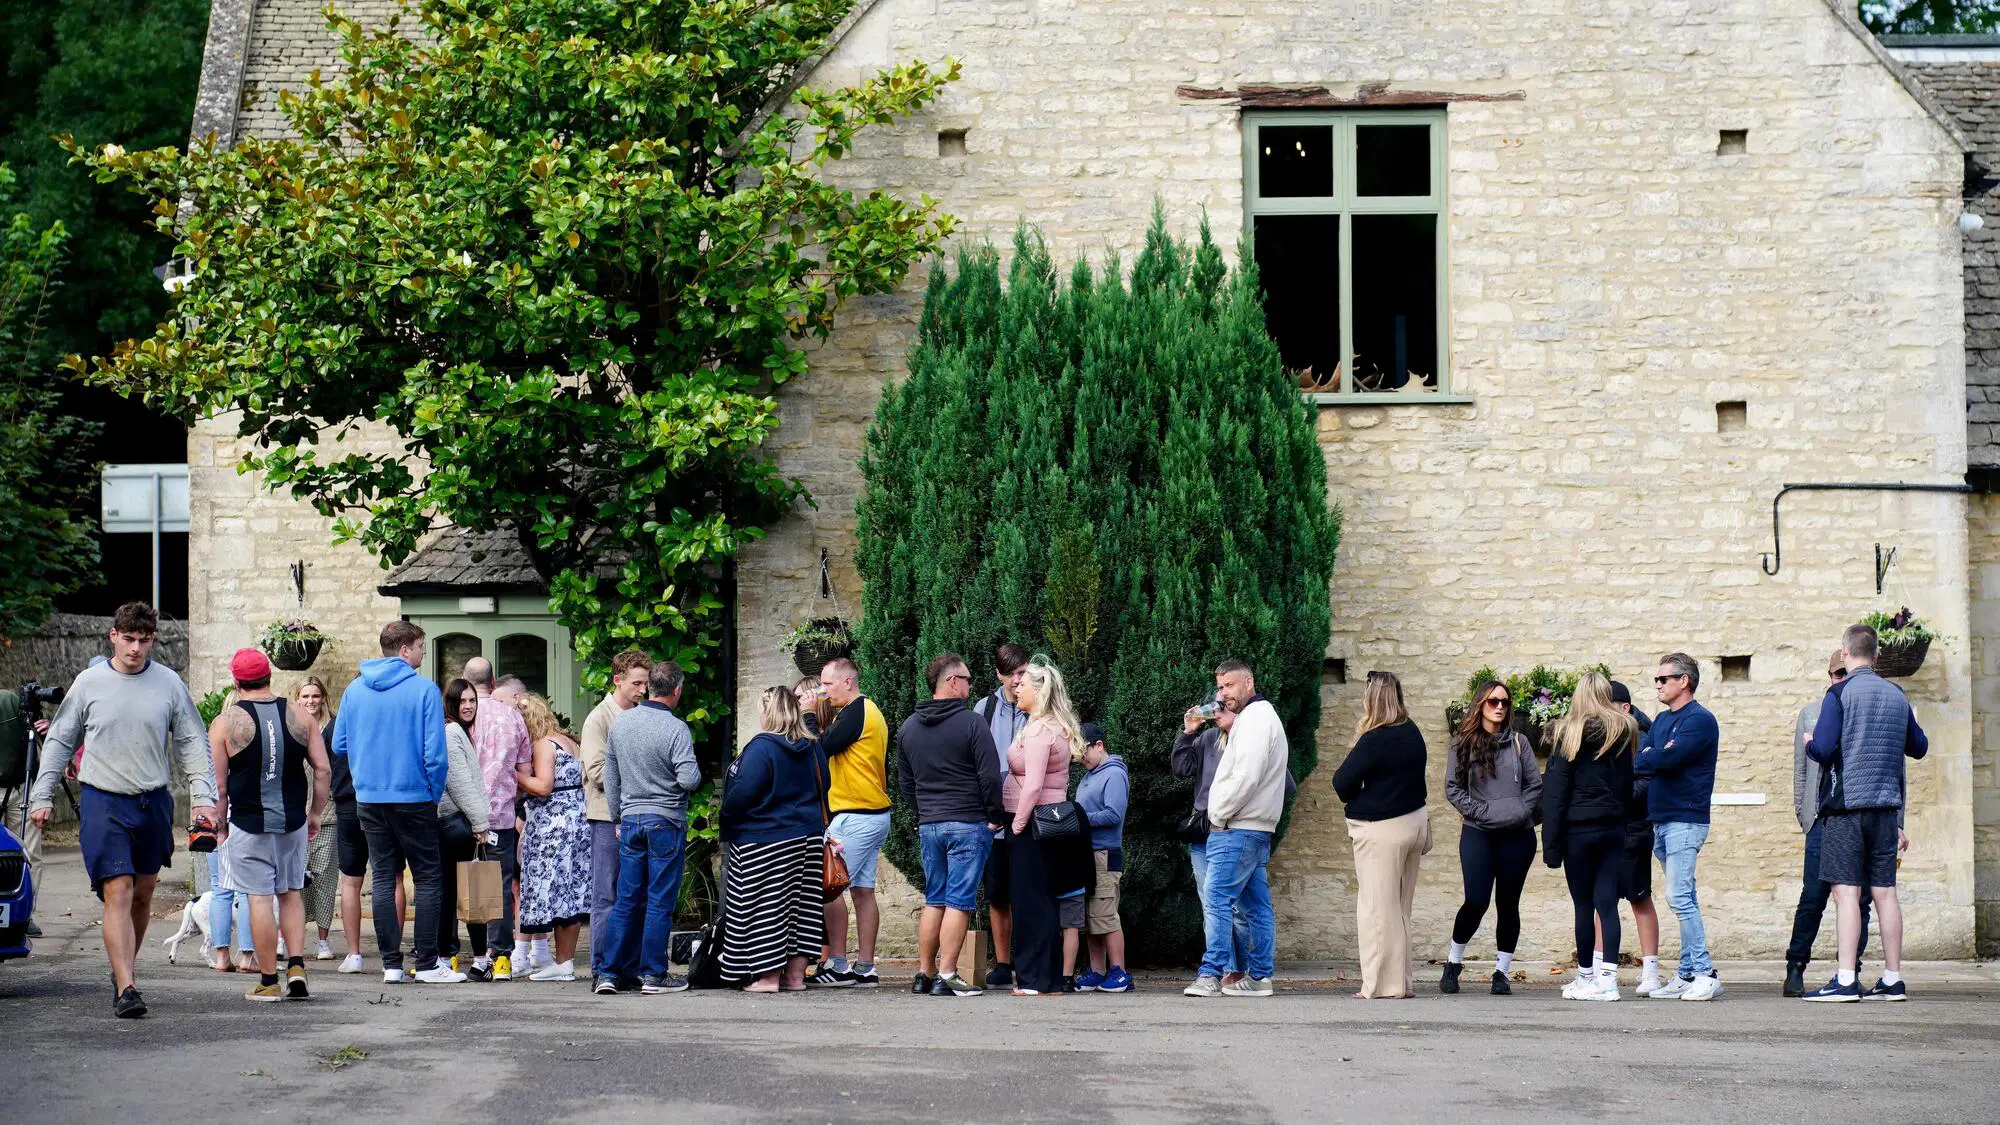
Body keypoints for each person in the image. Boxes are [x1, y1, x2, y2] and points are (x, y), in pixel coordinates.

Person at [28, 602, 217, 1018]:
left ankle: (122, 969)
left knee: (142, 893)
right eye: (128, 639)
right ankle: (127, 987)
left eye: (144, 641)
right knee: (118, 889)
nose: (135, 648)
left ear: (152, 641)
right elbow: (60, 740)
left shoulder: (168, 684)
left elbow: (191, 741)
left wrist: (205, 797)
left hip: (151, 800)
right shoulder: (89, 682)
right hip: (103, 798)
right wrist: (42, 795)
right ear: (113, 636)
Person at [1803, 623, 1927, 1002]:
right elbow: (1919, 747)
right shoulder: (1896, 694)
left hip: (1847, 807)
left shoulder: (1838, 694)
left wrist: (1810, 743)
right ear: (1876, 655)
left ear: (1845, 652)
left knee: (1846, 893)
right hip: (1887, 808)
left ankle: (1845, 978)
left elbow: (1823, 749)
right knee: (1885, 892)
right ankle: (1892, 978)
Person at [334, 621, 459, 985]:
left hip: (369, 796)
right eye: (421, 646)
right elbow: (435, 755)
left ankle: (391, 964)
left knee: (385, 877)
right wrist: (432, 794)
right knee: (428, 876)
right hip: (414, 795)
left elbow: (340, 744)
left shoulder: (355, 689)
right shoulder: (423, 690)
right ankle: (428, 962)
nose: (423, 652)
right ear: (405, 650)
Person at [209, 648, 333, 1001]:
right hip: (293, 821)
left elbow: (218, 786)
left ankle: (268, 980)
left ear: (236, 681)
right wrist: (315, 813)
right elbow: (323, 770)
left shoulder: (224, 723)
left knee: (259, 898)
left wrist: (220, 828)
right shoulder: (300, 716)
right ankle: (296, 967)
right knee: (291, 892)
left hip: (247, 823)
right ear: (270, 677)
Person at [896, 652, 1004, 998]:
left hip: (931, 825)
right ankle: (947, 975)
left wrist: (925, 812)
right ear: (952, 681)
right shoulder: (972, 723)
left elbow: (906, 784)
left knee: (934, 899)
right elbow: (989, 777)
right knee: (959, 901)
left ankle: (923, 974)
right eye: (968, 679)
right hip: (968, 822)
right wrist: (993, 817)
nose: (971, 686)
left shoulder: (909, 727)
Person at [596, 660, 703, 995]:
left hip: (630, 819)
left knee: (626, 898)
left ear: (649, 687)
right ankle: (654, 974)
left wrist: (617, 816)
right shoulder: (676, 729)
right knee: (659, 900)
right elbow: (689, 778)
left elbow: (610, 779)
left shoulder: (622, 724)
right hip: (665, 820)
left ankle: (608, 973)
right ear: (676, 690)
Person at [1184, 659, 1288, 1000]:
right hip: (1252, 828)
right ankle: (1259, 977)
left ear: (1249, 682)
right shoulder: (1257, 719)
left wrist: (1219, 813)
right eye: (1220, 687)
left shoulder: (1256, 720)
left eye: (1229, 685)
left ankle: (1210, 974)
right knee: (1257, 906)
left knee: (1215, 900)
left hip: (1237, 828)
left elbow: (1246, 776)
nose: (1223, 693)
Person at [718, 686, 830, 992]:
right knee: (803, 908)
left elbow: (742, 794)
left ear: (767, 711)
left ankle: (767, 978)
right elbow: (826, 785)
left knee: (765, 905)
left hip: (765, 837)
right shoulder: (812, 746)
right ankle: (794, 977)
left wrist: (726, 819)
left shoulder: (761, 747)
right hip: (808, 837)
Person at [1330, 670, 1429, 1000]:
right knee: (1399, 909)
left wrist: (1360, 796)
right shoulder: (1413, 732)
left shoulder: (1374, 739)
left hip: (1382, 830)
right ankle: (1402, 981)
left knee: (1375, 910)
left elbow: (1342, 783)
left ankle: (1379, 985)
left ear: (1371, 699)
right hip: (1414, 823)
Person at [1541, 673, 1639, 1002]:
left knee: (1584, 906)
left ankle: (1586, 976)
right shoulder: (1624, 731)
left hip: (1578, 831)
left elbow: (1555, 793)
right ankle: (1608, 980)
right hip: (1612, 827)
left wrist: (1551, 847)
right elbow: (1627, 786)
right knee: (1607, 905)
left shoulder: (1568, 733)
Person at [1785, 651, 1877, 997]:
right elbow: (1800, 770)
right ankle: (1795, 966)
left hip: (1855, 815)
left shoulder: (1865, 710)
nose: (1841, 679)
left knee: (1859, 899)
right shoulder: (1811, 713)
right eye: (1836, 674)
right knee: (1813, 896)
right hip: (1821, 819)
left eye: (1845, 672)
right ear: (1829, 674)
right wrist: (1804, 815)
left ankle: (1850, 969)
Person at [1441, 679, 1541, 996]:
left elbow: (1535, 787)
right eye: (1492, 701)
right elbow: (1452, 788)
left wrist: (1516, 812)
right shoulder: (1463, 742)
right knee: (1476, 900)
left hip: (1517, 835)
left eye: (1504, 702)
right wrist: (1483, 813)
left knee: (1508, 903)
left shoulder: (1520, 743)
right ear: (1480, 705)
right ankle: (1454, 961)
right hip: (1478, 833)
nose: (1499, 706)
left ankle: (1501, 971)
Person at [1634, 651, 1722, 1001]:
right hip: (1663, 821)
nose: (1657, 684)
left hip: (1686, 819)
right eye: (1656, 680)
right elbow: (1646, 757)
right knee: (1686, 896)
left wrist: (1656, 755)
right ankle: (1686, 973)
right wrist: (1654, 754)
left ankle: (1705, 972)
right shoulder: (1660, 720)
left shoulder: (1699, 720)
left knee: (1678, 896)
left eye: (1663, 679)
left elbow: (1665, 757)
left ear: (1684, 681)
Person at [806, 657, 892, 988]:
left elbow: (821, 747)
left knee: (830, 888)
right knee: (863, 892)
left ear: (847, 682)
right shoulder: (861, 712)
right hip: (870, 813)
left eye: (827, 684)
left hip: (856, 814)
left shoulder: (859, 711)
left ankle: (838, 965)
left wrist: (809, 714)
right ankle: (866, 967)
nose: (823, 692)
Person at [1005, 659, 1088, 996]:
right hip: (1051, 824)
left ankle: (1034, 980)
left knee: (1030, 903)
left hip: (1034, 825)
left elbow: (1034, 785)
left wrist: (1017, 825)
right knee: (1045, 900)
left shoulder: (1040, 731)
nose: (1017, 687)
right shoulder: (1055, 727)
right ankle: (1050, 979)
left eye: (1022, 684)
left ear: (1038, 690)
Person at [581, 650, 652, 985]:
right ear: (617, 679)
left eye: (646, 684)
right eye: (636, 683)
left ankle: (628, 967)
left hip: (637, 815)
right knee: (607, 895)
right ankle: (601, 968)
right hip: (607, 817)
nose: (642, 690)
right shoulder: (599, 719)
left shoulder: (640, 716)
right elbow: (596, 771)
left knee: (635, 892)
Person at [463, 655, 533, 981]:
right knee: (502, 884)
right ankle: (501, 957)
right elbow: (525, 770)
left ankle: (459, 957)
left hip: (462, 813)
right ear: (493, 684)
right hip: (502, 813)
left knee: (463, 881)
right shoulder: (513, 717)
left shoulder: (459, 716)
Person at [514, 694, 592, 982]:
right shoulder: (568, 740)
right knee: (570, 893)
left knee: (556, 892)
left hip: (554, 824)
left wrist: (513, 774)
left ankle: (561, 963)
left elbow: (544, 786)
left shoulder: (542, 745)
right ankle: (565, 962)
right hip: (578, 819)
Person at [1173, 703, 1252, 988]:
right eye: (1215, 707)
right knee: (1211, 904)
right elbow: (1182, 768)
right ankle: (1226, 970)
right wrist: (1187, 732)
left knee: (1237, 908)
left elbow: (1282, 782)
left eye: (1223, 708)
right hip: (1204, 830)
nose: (1217, 713)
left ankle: (1240, 969)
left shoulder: (1251, 740)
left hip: (1235, 830)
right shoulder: (1209, 739)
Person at [329, 676, 403, 976]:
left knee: (351, 880)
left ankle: (355, 953)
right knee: (393, 877)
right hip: (382, 804)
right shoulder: (387, 725)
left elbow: (327, 763)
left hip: (348, 804)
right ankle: (393, 949)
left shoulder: (337, 726)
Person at [973, 642, 1030, 989]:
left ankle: (1028, 959)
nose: (1017, 680)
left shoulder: (1036, 706)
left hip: (1028, 810)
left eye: (1023, 672)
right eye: (1011, 674)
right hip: (994, 812)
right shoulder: (985, 708)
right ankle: (1003, 962)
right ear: (999, 674)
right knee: (997, 894)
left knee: (1027, 889)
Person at [1603, 680, 1663, 995]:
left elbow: (1645, 784)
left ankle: (1651, 972)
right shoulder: (1604, 738)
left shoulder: (1641, 739)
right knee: (1603, 901)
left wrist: (1613, 798)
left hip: (1634, 830)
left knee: (1639, 899)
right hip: (1607, 830)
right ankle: (1601, 972)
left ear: (1624, 708)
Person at [435, 679, 494, 974]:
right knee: (462, 891)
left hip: (458, 822)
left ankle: (474, 959)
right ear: (451, 704)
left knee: (467, 891)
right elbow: (459, 782)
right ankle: (460, 958)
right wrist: (481, 823)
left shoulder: (457, 730)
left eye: (472, 700)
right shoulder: (451, 731)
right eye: (462, 702)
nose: (468, 706)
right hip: (455, 824)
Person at [1074, 722, 1132, 993]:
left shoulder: (1114, 774)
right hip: (1086, 854)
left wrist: (1078, 819)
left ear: (1099, 745)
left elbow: (1113, 814)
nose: (1079, 758)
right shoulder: (1089, 774)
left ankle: (1118, 971)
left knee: (1106, 914)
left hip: (1105, 855)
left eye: (1082, 751)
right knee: (1090, 917)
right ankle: (1097, 971)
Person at [293, 678, 341, 960]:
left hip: (328, 815)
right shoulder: (291, 728)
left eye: (315, 695)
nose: (310, 701)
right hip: (296, 816)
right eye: (305, 696)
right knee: (292, 879)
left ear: (323, 697)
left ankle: (323, 940)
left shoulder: (332, 729)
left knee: (325, 877)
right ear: (297, 698)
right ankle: (287, 937)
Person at [0, 686, 51, 937]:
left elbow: (44, 742)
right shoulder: (11, 702)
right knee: (29, 852)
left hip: (23, 786)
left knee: (29, 850)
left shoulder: (13, 703)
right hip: (22, 787)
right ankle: (23, 913)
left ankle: (23, 912)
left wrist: (45, 732)